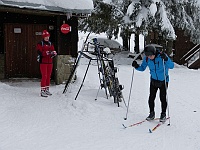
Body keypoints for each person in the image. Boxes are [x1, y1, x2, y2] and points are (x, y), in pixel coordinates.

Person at [132, 44, 174, 122]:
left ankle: (163, 114)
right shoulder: (147, 59)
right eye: (148, 56)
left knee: (162, 98)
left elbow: (171, 66)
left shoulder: (162, 57)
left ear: (154, 53)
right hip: (153, 81)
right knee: (151, 98)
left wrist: (166, 59)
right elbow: (142, 68)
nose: (149, 57)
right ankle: (151, 113)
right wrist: (136, 66)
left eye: (151, 56)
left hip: (163, 81)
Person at [37, 30, 57, 97]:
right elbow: (40, 52)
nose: (47, 38)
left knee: (48, 76)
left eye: (48, 36)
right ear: (43, 37)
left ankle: (47, 89)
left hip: (50, 62)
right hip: (43, 62)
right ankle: (42, 90)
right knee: (44, 76)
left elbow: (53, 50)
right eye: (46, 36)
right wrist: (46, 53)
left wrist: (53, 53)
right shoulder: (40, 43)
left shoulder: (50, 43)